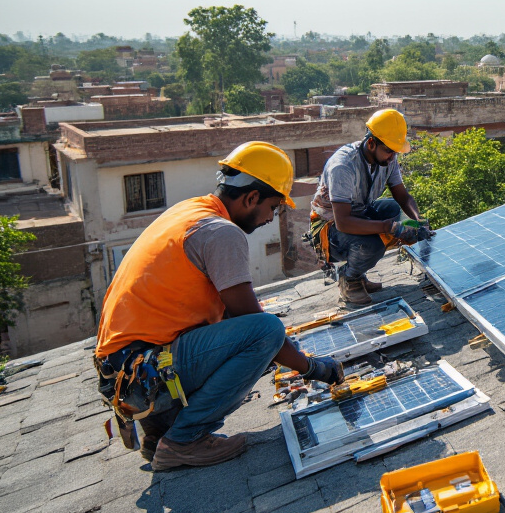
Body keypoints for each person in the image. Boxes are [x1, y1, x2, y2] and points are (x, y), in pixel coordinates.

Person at [95, 141, 345, 471]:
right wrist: (313, 367)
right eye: (273, 207)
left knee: (251, 338)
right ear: (251, 197)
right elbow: (254, 324)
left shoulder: (191, 211)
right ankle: (183, 440)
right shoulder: (220, 232)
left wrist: (286, 354)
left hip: (127, 371)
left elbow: (227, 315)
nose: (272, 218)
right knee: (267, 331)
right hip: (144, 371)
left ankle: (161, 433)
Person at [310, 108, 432, 305]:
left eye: (394, 152)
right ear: (371, 143)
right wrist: (388, 227)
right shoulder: (343, 166)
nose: (392, 157)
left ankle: (359, 273)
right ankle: (350, 279)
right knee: (371, 244)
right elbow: (343, 223)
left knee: (393, 209)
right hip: (331, 227)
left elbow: (402, 196)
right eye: (388, 151)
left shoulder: (388, 158)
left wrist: (419, 221)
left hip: (359, 213)